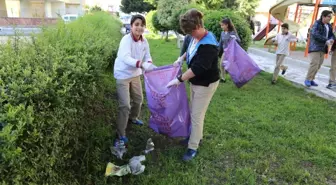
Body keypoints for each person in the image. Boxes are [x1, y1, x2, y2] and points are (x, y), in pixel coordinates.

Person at [168, 9, 219, 161]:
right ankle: (194, 136)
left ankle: (193, 147)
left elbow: (198, 68)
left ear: (198, 26)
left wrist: (179, 79)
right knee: (194, 111)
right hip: (196, 82)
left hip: (206, 83)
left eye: (191, 32)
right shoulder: (195, 37)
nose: (189, 35)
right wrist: (181, 58)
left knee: (197, 116)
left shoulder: (209, 45)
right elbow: (190, 51)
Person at [113, 14, 156, 146]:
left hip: (135, 74)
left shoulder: (144, 41)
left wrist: (148, 63)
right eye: (136, 24)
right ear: (131, 26)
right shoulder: (126, 40)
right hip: (123, 75)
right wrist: (141, 64)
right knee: (125, 105)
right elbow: (125, 57)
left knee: (138, 100)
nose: (139, 27)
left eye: (142, 25)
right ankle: (121, 134)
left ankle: (133, 118)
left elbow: (148, 56)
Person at [304, 10, 335, 87]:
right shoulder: (317, 24)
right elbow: (315, 34)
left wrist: (331, 39)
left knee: (318, 65)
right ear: (323, 16)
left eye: (331, 17)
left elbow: (332, 35)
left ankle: (311, 79)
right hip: (315, 47)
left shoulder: (329, 26)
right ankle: (307, 79)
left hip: (323, 48)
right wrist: (326, 40)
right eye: (328, 17)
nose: (330, 18)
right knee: (314, 64)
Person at [218, 18, 241, 83]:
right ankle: (223, 78)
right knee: (221, 64)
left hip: (232, 52)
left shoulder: (232, 32)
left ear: (227, 25)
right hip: (225, 52)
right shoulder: (222, 33)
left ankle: (238, 79)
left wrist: (234, 38)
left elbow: (239, 40)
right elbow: (220, 43)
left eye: (222, 25)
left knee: (233, 67)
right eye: (221, 25)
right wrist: (217, 50)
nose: (221, 26)